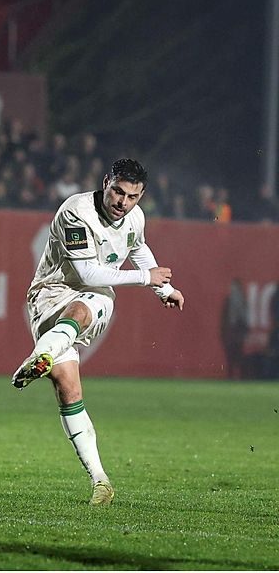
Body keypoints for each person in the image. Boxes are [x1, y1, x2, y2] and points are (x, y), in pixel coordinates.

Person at [11, 159, 184, 506]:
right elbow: (88, 273)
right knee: (68, 375)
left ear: (141, 196)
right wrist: (143, 279)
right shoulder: (75, 212)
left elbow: (138, 249)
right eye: (118, 191)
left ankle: (100, 482)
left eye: (132, 196)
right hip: (48, 295)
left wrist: (164, 289)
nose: (122, 202)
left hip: (92, 301)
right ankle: (99, 478)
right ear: (106, 182)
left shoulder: (135, 217)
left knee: (77, 340)